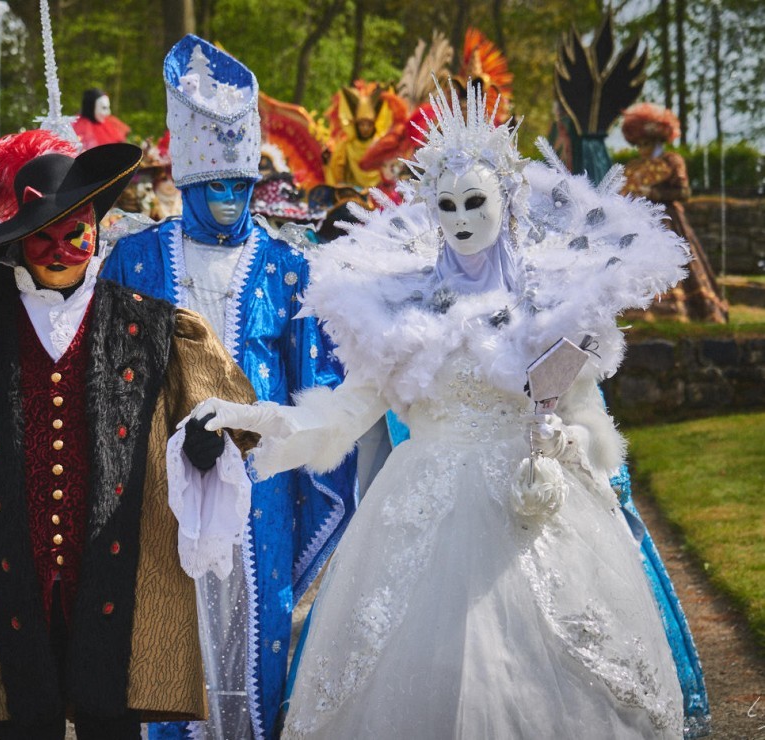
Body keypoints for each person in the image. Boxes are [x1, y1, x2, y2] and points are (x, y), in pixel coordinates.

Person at [191, 85, 690, 738]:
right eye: (447, 205)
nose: (460, 218)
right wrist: (263, 420)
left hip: (529, 507)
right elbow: (348, 410)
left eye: (474, 202)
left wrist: (562, 442)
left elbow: (589, 422)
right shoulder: (398, 308)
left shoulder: (554, 305)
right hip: (421, 501)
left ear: (505, 201)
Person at [0, 130, 259, 739]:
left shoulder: (154, 329)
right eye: (45, 235)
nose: (64, 248)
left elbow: (223, 415)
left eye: (77, 231)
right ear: (17, 245)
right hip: (9, 568)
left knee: (110, 716)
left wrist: (207, 441)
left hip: (117, 567)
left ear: (97, 230)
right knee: (24, 717)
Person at [103, 35, 357, 740]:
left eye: (240, 186)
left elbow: (321, 387)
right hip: (162, 482)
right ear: (187, 182)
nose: (228, 199)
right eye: (215, 185)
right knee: (170, 618)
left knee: (260, 619)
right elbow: (108, 376)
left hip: (263, 486)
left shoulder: (287, 267)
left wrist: (272, 429)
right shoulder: (132, 259)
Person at [621, 102, 728, 323]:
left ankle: (679, 311)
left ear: (658, 141)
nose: (643, 149)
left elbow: (683, 191)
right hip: (637, 223)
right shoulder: (633, 166)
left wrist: (652, 192)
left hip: (667, 221)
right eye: (639, 144)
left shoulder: (671, 161)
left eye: (647, 143)